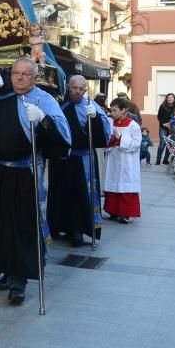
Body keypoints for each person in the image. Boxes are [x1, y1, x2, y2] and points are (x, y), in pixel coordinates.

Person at [0, 57, 70, 305]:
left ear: (34, 77)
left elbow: (63, 137)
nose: (19, 78)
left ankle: (19, 279)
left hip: (25, 171)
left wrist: (43, 119)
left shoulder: (44, 101)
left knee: (22, 226)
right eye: (16, 73)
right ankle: (5, 270)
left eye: (25, 74)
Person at [46, 75, 111, 247]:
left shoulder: (92, 107)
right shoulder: (61, 105)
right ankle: (58, 226)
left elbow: (102, 137)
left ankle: (78, 230)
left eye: (80, 89)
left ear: (85, 90)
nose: (76, 91)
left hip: (82, 159)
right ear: (68, 87)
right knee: (59, 193)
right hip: (62, 159)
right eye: (73, 87)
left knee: (80, 195)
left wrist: (96, 118)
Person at [103, 97, 142, 224]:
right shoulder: (109, 122)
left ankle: (126, 213)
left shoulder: (133, 125)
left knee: (125, 185)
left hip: (127, 161)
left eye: (115, 111)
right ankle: (113, 211)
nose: (112, 113)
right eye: (111, 110)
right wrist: (111, 140)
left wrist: (120, 138)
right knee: (113, 182)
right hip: (113, 159)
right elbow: (104, 139)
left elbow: (136, 144)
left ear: (124, 110)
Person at [156, 93, 175, 164]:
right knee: (162, 143)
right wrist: (164, 124)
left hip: (172, 128)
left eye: (171, 97)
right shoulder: (162, 106)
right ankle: (158, 160)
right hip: (163, 127)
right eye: (168, 97)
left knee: (170, 144)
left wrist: (173, 124)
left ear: (174, 99)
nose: (170, 98)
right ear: (166, 99)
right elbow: (159, 116)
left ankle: (165, 160)